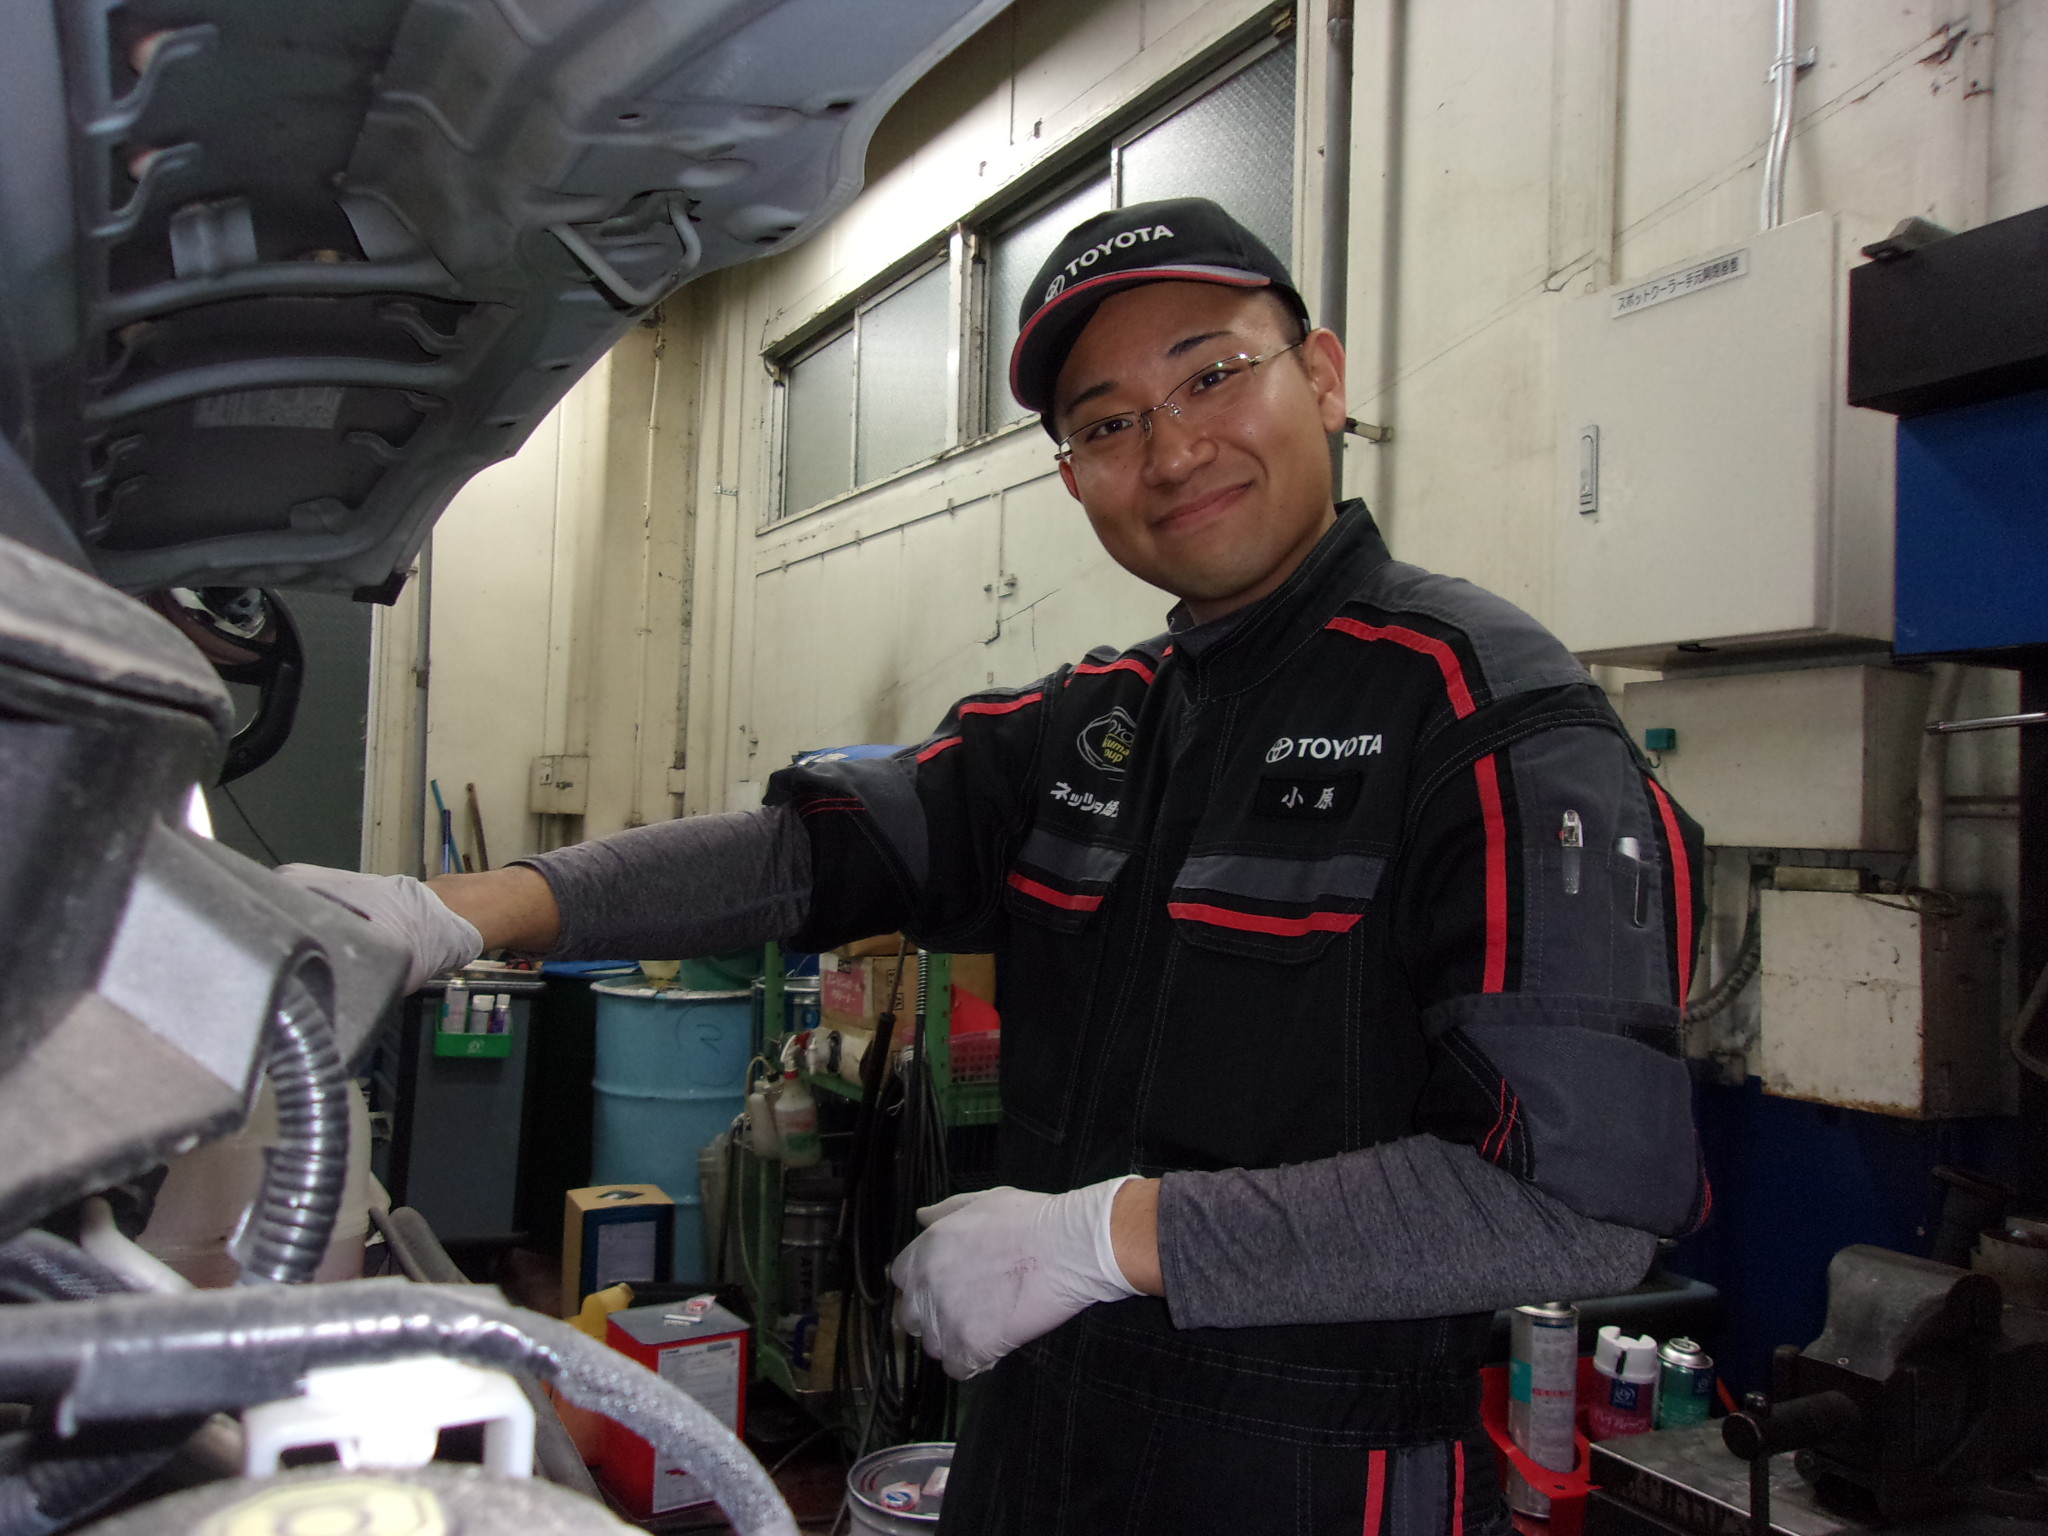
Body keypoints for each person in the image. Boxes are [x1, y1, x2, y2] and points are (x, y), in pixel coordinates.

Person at [291, 197, 1704, 1535]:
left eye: (1212, 376)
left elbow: (1575, 1209)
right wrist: (450, 912)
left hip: (1316, 1481)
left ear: (1322, 377)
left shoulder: (1481, 708)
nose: (1172, 451)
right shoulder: (1100, 721)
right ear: (1074, 475)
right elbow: (804, 859)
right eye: (1108, 423)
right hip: (1039, 1443)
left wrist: (1110, 1238)